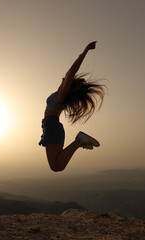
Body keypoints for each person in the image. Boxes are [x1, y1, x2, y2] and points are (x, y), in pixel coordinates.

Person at [39, 41, 106, 172]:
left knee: (56, 166)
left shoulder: (60, 96)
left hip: (51, 126)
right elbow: (69, 73)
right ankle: (79, 142)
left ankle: (79, 141)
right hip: (52, 126)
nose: (63, 77)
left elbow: (71, 71)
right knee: (57, 165)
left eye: (66, 78)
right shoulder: (59, 94)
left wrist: (85, 51)